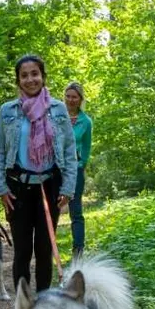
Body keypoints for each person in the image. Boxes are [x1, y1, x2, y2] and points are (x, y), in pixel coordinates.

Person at [0, 55, 78, 293]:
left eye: (35, 74)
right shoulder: (7, 111)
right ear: (18, 80)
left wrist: (68, 189)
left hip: (50, 186)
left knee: (45, 248)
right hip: (17, 188)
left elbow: (70, 151)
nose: (31, 79)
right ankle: (23, 303)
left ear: (43, 76)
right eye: (25, 75)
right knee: (22, 250)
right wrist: (1, 188)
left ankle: (43, 301)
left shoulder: (58, 109)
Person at [64, 82, 92, 258]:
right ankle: (46, 247)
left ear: (80, 99)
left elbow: (87, 147)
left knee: (75, 210)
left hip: (75, 170)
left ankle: (78, 250)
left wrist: (81, 165)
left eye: (74, 96)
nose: (71, 100)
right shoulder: (56, 116)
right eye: (68, 96)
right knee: (50, 209)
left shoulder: (86, 121)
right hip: (55, 169)